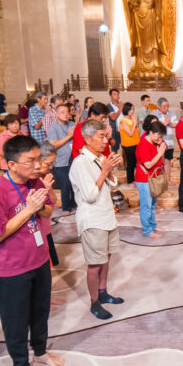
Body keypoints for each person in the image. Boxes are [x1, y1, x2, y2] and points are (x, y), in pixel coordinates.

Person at [0, 135, 62, 366]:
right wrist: (28, 209)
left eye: (38, 159)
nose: (37, 166)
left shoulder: (34, 182)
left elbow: (47, 210)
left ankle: (40, 351)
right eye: (30, 161)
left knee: (40, 310)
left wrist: (40, 201)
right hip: (11, 267)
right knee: (16, 317)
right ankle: (21, 365)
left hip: (38, 258)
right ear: (10, 164)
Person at [70, 118, 125, 320]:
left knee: (106, 258)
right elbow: (90, 194)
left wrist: (108, 169)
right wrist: (104, 170)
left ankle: (103, 292)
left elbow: (113, 183)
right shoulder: (80, 162)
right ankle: (94, 302)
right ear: (87, 139)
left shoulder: (100, 157)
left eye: (106, 136)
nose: (105, 141)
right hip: (92, 219)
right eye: (101, 137)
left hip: (107, 216)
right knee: (94, 264)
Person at [134, 120, 167, 238]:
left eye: (161, 136)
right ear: (151, 132)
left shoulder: (155, 142)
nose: (160, 139)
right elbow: (148, 165)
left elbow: (160, 160)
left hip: (153, 178)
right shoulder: (143, 144)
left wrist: (161, 150)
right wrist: (160, 152)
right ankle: (147, 230)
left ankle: (153, 225)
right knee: (146, 206)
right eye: (158, 135)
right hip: (144, 179)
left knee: (153, 205)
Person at [46, 103, 76, 212]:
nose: (65, 114)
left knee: (74, 182)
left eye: (67, 112)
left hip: (74, 159)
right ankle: (66, 208)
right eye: (62, 112)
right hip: (61, 161)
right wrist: (69, 136)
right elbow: (53, 144)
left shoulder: (72, 124)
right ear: (56, 114)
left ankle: (74, 204)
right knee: (65, 184)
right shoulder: (53, 127)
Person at [151, 98, 178, 184]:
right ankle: (158, 181)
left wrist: (169, 123)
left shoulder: (171, 113)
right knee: (158, 162)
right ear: (158, 106)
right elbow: (153, 127)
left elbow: (176, 124)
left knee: (167, 162)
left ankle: (167, 180)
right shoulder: (154, 114)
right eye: (164, 106)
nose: (166, 108)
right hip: (158, 143)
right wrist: (165, 123)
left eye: (167, 106)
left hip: (169, 143)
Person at [119, 102, 140, 183]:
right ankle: (130, 181)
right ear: (126, 110)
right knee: (130, 164)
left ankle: (136, 179)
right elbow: (130, 134)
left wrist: (136, 124)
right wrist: (134, 123)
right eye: (131, 109)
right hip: (129, 145)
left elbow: (137, 132)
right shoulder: (123, 120)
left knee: (136, 163)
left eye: (133, 109)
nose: (133, 111)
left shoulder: (131, 119)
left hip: (136, 143)